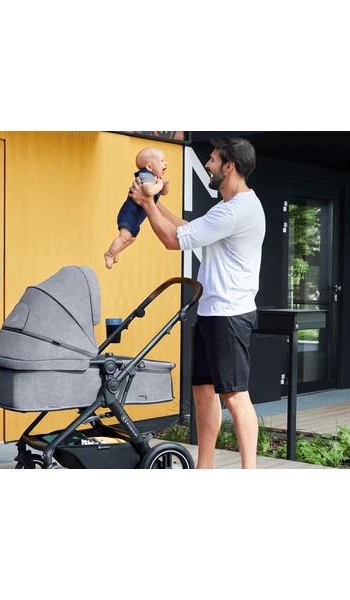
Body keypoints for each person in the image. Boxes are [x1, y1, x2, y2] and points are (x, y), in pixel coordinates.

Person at [129, 137, 265, 469]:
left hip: (230, 313)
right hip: (211, 311)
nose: (207, 164)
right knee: (204, 392)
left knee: (235, 395)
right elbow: (190, 230)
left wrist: (147, 204)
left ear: (229, 167)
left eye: (213, 159)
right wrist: (154, 202)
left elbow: (172, 240)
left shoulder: (237, 210)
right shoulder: (227, 207)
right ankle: (205, 468)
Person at [104, 148, 169, 269]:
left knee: (131, 239)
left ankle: (116, 250)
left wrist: (164, 185)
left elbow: (164, 193)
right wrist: (160, 184)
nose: (166, 163)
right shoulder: (146, 176)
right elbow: (149, 191)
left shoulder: (154, 178)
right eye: (162, 161)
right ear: (149, 167)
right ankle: (109, 254)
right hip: (130, 213)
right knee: (124, 237)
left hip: (136, 217)